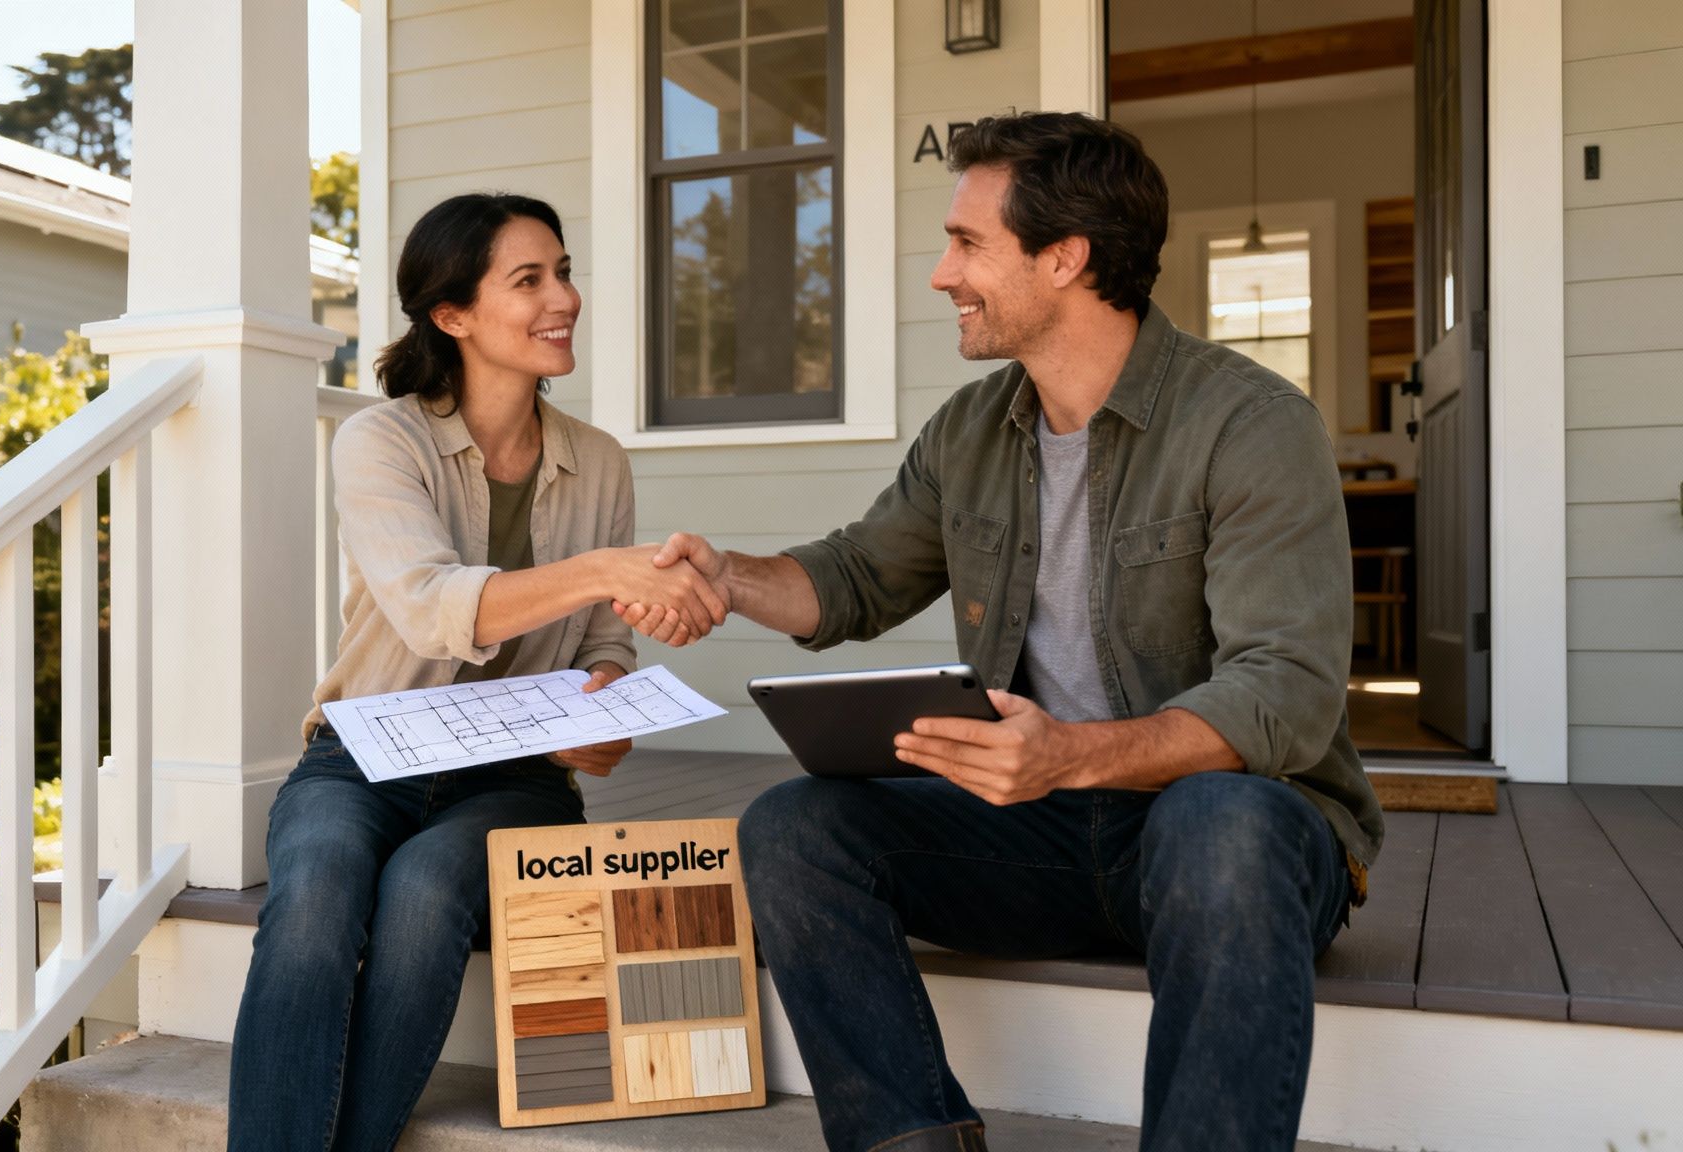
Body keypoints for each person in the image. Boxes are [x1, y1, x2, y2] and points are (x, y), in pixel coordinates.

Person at [617, 112, 1384, 1152]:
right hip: (1046, 835)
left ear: (1064, 257)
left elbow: (1282, 695)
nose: (941, 274)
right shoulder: (971, 430)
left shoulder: (1246, 423)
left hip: (1233, 838)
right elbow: (851, 577)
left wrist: (1068, 753)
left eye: (967, 244)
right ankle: (910, 1140)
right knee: (794, 828)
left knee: (1221, 823)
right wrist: (728, 577)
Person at [227, 192, 726, 1152]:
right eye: (529, 280)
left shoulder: (600, 463)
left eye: (564, 272)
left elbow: (603, 643)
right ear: (452, 315)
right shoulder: (382, 440)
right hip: (361, 752)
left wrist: (608, 706)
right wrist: (602, 572)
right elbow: (428, 603)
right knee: (317, 889)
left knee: (422, 896)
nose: (565, 298)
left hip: (515, 778)